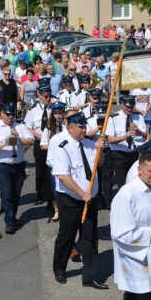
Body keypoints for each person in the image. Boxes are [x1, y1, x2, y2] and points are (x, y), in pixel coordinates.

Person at [51, 112, 108, 289]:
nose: (84, 130)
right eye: (80, 127)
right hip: (71, 199)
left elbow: (99, 164)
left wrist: (101, 151)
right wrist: (82, 194)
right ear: (70, 127)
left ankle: (90, 276)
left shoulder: (90, 144)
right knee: (66, 236)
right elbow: (62, 176)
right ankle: (59, 268)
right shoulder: (62, 146)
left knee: (90, 237)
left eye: (85, 126)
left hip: (89, 200)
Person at [111, 150, 151, 300]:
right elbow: (120, 233)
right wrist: (150, 232)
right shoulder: (126, 195)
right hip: (137, 260)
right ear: (139, 169)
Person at [0, 103, 34, 234]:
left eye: (13, 114)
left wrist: (19, 139)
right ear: (1, 114)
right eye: (8, 114)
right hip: (2, 166)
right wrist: (5, 142)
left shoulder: (21, 126)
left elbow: (31, 141)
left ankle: (12, 215)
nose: (11, 117)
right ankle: (9, 221)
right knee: (6, 193)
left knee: (16, 194)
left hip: (18, 165)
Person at [105, 95, 147, 206]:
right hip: (119, 154)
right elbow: (109, 139)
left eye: (131, 107)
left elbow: (146, 136)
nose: (129, 109)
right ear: (121, 104)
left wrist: (138, 131)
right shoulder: (113, 118)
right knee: (122, 183)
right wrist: (124, 136)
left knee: (135, 181)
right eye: (126, 106)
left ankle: (135, 203)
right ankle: (123, 205)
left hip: (134, 153)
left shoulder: (138, 117)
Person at [25, 85, 52, 205]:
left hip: (51, 143)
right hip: (39, 142)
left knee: (50, 170)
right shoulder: (33, 109)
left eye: (49, 96)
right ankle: (39, 194)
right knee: (40, 170)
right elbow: (28, 127)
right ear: (39, 95)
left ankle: (50, 194)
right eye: (46, 96)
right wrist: (39, 136)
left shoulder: (53, 108)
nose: (48, 98)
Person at [41, 102, 67, 222]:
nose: (58, 116)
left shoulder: (68, 126)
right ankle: (56, 211)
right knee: (54, 187)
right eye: (56, 113)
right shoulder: (49, 127)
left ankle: (65, 209)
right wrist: (54, 145)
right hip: (53, 161)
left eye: (60, 113)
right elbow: (43, 145)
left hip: (66, 160)